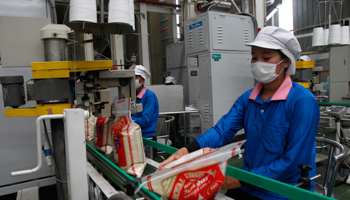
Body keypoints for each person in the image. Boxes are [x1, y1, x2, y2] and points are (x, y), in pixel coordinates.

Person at [160, 26, 320, 200]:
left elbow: (295, 160)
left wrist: (242, 180)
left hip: (283, 189)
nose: (258, 63)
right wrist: (187, 150)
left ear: (286, 61)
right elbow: (222, 130)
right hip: (249, 182)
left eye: (266, 57)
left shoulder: (302, 102)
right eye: (254, 57)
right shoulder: (248, 99)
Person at [131, 65, 159, 138]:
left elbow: (145, 121)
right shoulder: (133, 95)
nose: (132, 80)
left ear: (142, 79)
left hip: (146, 136)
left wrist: (128, 120)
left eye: (135, 77)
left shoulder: (149, 96)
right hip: (134, 134)